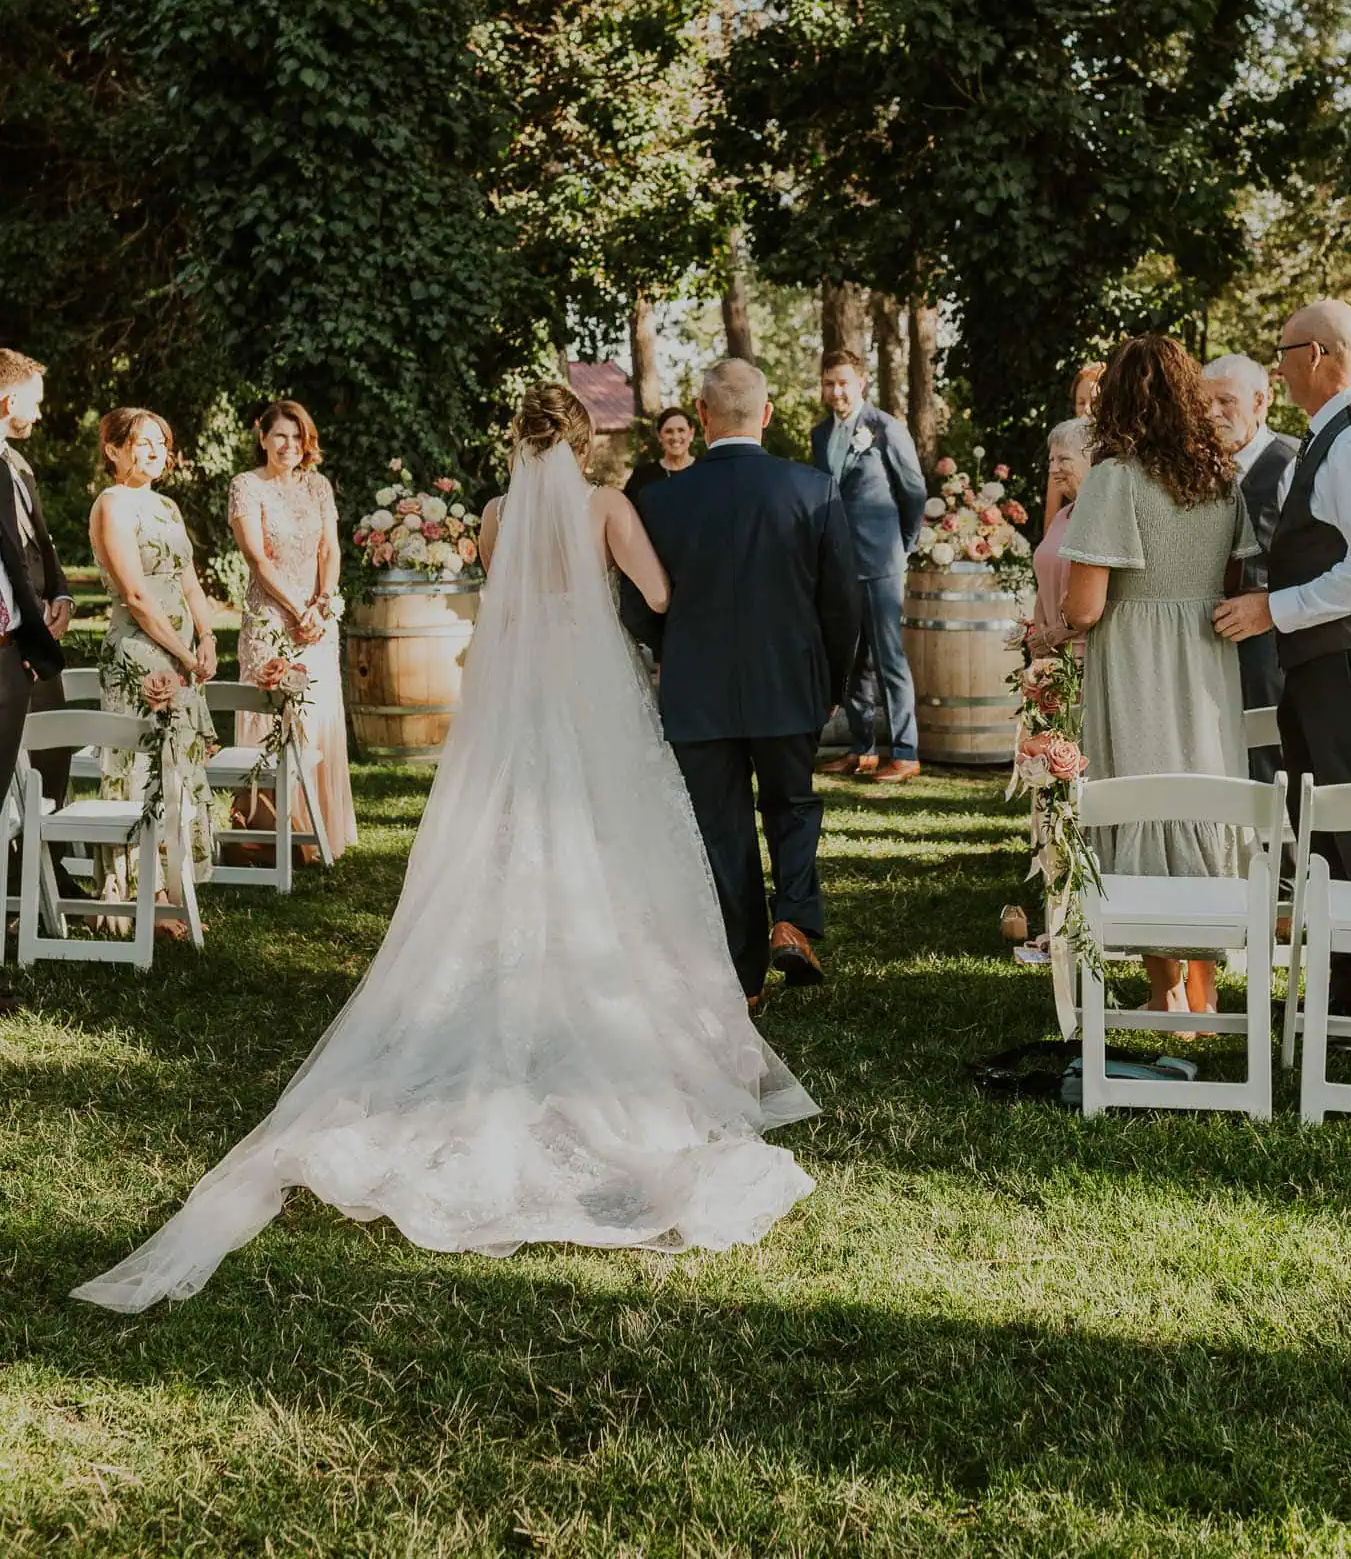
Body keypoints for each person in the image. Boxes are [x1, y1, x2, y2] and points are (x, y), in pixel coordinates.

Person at [73, 383, 817, 1312]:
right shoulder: (604, 507)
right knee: (616, 840)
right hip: (594, 699)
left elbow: (498, 601)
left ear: (518, 440)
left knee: (506, 841)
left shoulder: (499, 514)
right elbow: (658, 594)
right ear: (581, 441)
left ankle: (515, 986)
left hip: (514, 706)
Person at [621, 359, 861, 1000]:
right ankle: (794, 919)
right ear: (768, 413)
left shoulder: (659, 499)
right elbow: (843, 605)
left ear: (699, 417)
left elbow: (639, 608)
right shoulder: (813, 490)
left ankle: (743, 977)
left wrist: (677, 647)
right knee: (792, 803)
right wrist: (833, 681)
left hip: (696, 689)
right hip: (789, 682)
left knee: (722, 827)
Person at [1061, 334, 1258, 1022]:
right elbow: (1231, 579)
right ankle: (1202, 990)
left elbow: (1084, 605)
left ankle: (1164, 987)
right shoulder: (1221, 476)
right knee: (1202, 797)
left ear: (1116, 399)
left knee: (1143, 794)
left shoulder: (1114, 478)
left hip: (1137, 657)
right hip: (1204, 657)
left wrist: (1061, 619)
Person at [1214, 300, 1351, 1015]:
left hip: (1345, 671)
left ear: (1315, 355)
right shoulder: (1326, 437)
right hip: (1314, 668)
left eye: (1280, 351)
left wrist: (1271, 607)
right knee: (1321, 836)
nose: (1275, 364)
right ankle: (1339, 997)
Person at [89, 409, 217, 930]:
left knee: (179, 772)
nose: (152, 452)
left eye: (160, 444)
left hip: (184, 649)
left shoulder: (166, 505)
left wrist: (207, 638)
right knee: (141, 768)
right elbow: (138, 596)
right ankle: (131, 894)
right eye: (140, 443)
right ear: (114, 450)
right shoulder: (112, 505)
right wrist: (184, 657)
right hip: (140, 651)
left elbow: (189, 584)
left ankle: (168, 886)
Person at [227, 401, 357, 861]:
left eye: (298, 438)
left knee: (316, 716)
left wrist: (322, 604)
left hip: (317, 621)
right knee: (271, 715)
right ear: (262, 438)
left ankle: (317, 827)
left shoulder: (318, 486)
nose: (290, 446)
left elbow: (331, 550)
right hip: (270, 618)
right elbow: (257, 559)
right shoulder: (246, 487)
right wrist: (298, 608)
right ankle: (265, 833)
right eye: (281, 436)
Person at [810, 348, 926, 783]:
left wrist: (905, 544)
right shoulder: (820, 435)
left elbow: (913, 491)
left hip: (881, 562)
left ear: (861, 384)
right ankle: (862, 750)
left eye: (843, 382)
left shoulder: (885, 428)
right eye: (828, 383)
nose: (836, 390)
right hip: (840, 565)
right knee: (851, 657)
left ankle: (906, 751)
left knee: (888, 657)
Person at [1202, 354, 1296, 783]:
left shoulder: (1293, 462)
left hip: (1271, 648)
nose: (1212, 413)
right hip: (1203, 640)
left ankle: (1277, 850)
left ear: (1261, 402)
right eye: (1204, 403)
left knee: (1268, 762)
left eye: (1225, 401)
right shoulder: (1197, 470)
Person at [0, 351, 74, 808]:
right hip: (15, 632)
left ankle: (51, 865)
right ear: (9, 402)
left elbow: (41, 542)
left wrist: (62, 592)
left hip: (37, 625)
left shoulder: (19, 465)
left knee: (53, 751)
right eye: (35, 402)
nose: (40, 413)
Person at [1030, 419, 1092, 654]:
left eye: (1063, 459)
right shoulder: (1061, 517)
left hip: (1086, 655)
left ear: (1091, 459)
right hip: (1049, 652)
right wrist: (1040, 636)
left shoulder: (1100, 517)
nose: (1053, 469)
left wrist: (1056, 634)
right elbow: (1043, 582)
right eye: (1051, 461)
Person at [1044, 363, 1105, 531]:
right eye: (1080, 402)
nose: (1086, 409)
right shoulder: (1061, 450)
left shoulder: (1120, 452)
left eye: (1094, 401)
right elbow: (1050, 522)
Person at [623, 407, 697, 505]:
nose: (675, 437)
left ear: (691, 434)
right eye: (668, 431)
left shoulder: (706, 470)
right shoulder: (642, 476)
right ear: (659, 436)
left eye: (681, 430)